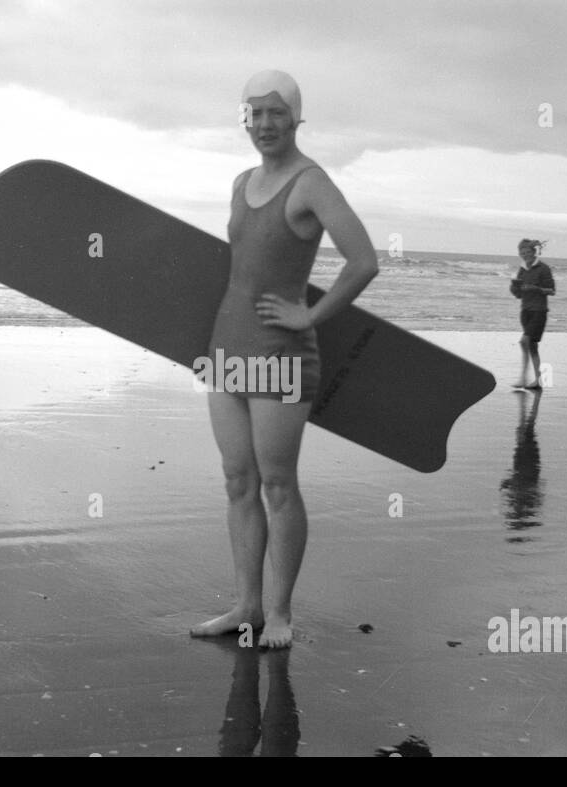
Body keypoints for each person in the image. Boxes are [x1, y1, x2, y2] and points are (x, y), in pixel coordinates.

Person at [190, 70, 379, 649]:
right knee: (236, 479)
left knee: (276, 484)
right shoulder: (241, 181)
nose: (265, 124)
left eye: (277, 113)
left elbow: (364, 260)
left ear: (296, 118)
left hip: (280, 357)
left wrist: (309, 317)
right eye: (255, 113)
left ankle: (279, 614)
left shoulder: (310, 183)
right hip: (226, 351)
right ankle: (246, 606)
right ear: (244, 119)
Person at [509, 239, 555, 389]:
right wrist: (515, 289)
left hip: (539, 311)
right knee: (532, 346)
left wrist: (536, 288)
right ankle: (538, 381)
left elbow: (552, 290)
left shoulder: (543, 268)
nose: (525, 255)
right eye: (522, 253)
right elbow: (520, 295)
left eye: (528, 252)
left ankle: (523, 378)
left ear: (534, 252)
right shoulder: (522, 270)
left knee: (524, 342)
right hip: (525, 311)